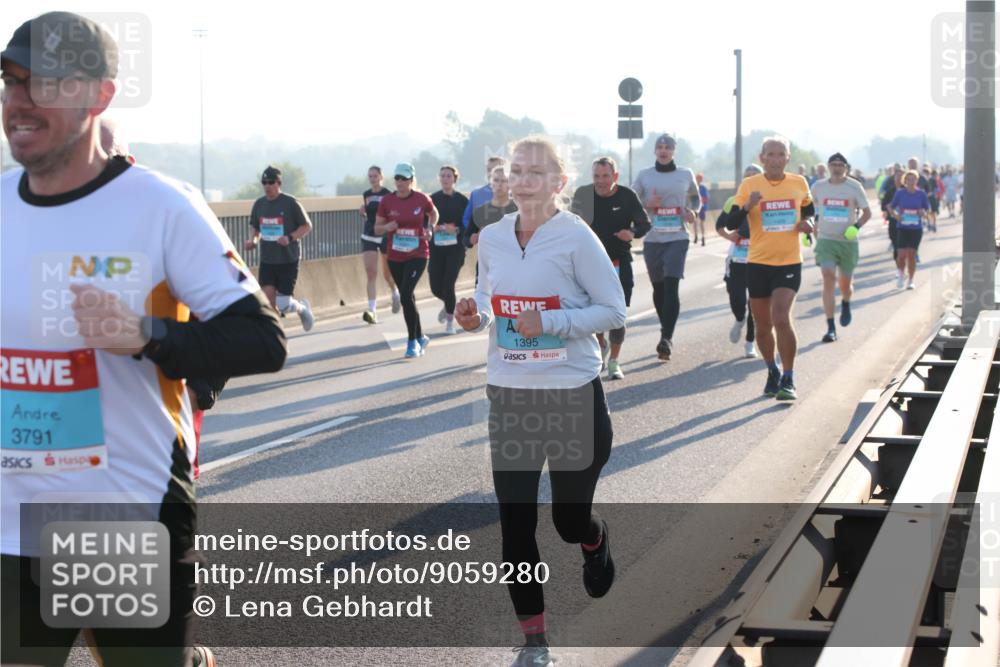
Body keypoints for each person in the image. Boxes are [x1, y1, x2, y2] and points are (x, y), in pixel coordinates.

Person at [1, 12, 287, 667]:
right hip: (10, 524)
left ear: (98, 95)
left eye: (40, 82)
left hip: (121, 519)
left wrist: (147, 335)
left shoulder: (160, 207)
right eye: (9, 81)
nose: (17, 100)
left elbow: (261, 340)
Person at [454, 136, 625, 667]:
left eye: (535, 172)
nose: (523, 180)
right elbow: (488, 300)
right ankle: (535, 641)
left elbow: (614, 310)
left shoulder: (576, 237)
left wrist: (551, 322)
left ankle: (592, 542)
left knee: (568, 522)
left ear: (559, 182)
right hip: (511, 394)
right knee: (515, 522)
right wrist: (473, 316)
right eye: (516, 171)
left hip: (572, 394)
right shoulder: (495, 238)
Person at [723, 136, 815, 400]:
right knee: (762, 326)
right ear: (762, 158)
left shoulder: (799, 183)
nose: (775, 159)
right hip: (758, 262)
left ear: (788, 158)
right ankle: (772, 370)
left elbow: (808, 211)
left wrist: (807, 224)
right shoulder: (750, 185)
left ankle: (788, 378)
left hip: (788, 262)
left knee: (781, 317)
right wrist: (750, 205)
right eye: (770, 155)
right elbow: (731, 222)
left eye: (780, 154)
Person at [571, 156, 651, 379]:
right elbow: (569, 224)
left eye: (606, 176)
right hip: (590, 265)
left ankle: (614, 361)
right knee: (593, 314)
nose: (601, 181)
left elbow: (645, 223)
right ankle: (600, 343)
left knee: (617, 315)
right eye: (597, 176)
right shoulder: (583, 195)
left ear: (615, 176)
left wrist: (633, 233)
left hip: (619, 262)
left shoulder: (627, 196)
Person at [631, 134, 701, 361]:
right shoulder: (644, 175)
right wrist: (646, 204)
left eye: (667, 147)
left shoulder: (685, 174)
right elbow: (631, 202)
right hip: (652, 238)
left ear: (673, 151)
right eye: (659, 147)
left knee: (672, 285)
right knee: (659, 289)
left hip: (678, 236)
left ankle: (666, 338)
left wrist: (693, 212)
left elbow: (696, 200)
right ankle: (666, 329)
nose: (663, 151)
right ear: (655, 151)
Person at [374, 163, 439, 358]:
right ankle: (420, 337)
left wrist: (431, 228)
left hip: (418, 253)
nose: (400, 182)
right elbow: (377, 228)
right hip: (395, 255)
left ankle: (412, 342)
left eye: (404, 178)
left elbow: (433, 213)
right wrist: (387, 227)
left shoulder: (421, 199)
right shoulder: (387, 201)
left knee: (405, 295)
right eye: (397, 178)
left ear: (411, 180)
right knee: (407, 297)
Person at [243, 165, 315, 331]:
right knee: (268, 304)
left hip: (288, 259)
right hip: (268, 260)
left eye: (270, 182)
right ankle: (276, 335)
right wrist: (253, 240)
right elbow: (255, 227)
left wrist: (289, 238)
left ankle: (303, 309)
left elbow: (307, 226)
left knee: (283, 304)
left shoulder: (290, 202)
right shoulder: (259, 204)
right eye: (264, 182)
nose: (267, 186)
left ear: (278, 183)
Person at [810, 153, 872, 343]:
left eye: (840, 165)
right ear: (828, 167)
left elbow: (867, 213)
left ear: (846, 167)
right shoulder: (818, 187)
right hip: (826, 240)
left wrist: (856, 227)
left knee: (845, 284)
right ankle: (830, 327)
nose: (837, 167)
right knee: (828, 276)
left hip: (847, 242)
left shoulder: (854, 187)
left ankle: (845, 301)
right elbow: (809, 209)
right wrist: (812, 224)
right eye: (833, 164)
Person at [716, 164, 763, 358]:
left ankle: (750, 342)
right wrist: (730, 237)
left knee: (755, 302)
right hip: (737, 256)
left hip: (760, 256)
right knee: (736, 298)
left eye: (755, 176)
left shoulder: (768, 199)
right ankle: (739, 318)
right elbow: (720, 226)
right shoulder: (733, 200)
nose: (751, 179)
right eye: (747, 177)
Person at [429, 165, 469, 334]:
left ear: (454, 179)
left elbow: (469, 224)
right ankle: (449, 304)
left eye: (448, 176)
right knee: (436, 287)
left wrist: (458, 229)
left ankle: (450, 323)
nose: (445, 179)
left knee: (448, 283)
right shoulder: (432, 199)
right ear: (439, 178)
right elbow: (424, 222)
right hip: (436, 248)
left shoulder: (462, 200)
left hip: (455, 248)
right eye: (443, 176)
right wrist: (433, 227)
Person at [359, 166, 399, 323]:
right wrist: (362, 210)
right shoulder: (366, 194)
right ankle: (372, 310)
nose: (372, 178)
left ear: (381, 177)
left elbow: (393, 213)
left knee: (387, 273)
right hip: (369, 234)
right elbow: (368, 214)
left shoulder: (388, 194)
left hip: (385, 235)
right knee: (371, 273)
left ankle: (394, 291)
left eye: (375, 176)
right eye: (370, 176)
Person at [888, 170, 930, 290]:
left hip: (916, 228)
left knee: (911, 255)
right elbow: (890, 206)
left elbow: (927, 209)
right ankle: (901, 274)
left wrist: (924, 213)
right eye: (909, 179)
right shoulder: (900, 193)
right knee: (901, 255)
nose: (911, 181)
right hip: (902, 227)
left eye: (913, 179)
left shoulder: (921, 194)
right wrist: (896, 215)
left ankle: (911, 280)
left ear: (916, 181)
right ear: (905, 181)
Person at [462, 155, 507, 232]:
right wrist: (475, 231)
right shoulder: (476, 194)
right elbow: (466, 219)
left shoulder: (516, 194)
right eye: (489, 169)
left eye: (495, 169)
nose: (491, 173)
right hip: (483, 241)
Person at [694, 172, 709, 246]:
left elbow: (706, 198)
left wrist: (704, 206)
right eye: (698, 178)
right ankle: (696, 236)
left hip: (702, 207)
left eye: (700, 178)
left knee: (702, 222)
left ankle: (703, 237)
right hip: (695, 207)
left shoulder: (703, 188)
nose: (699, 180)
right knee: (695, 221)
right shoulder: (694, 187)